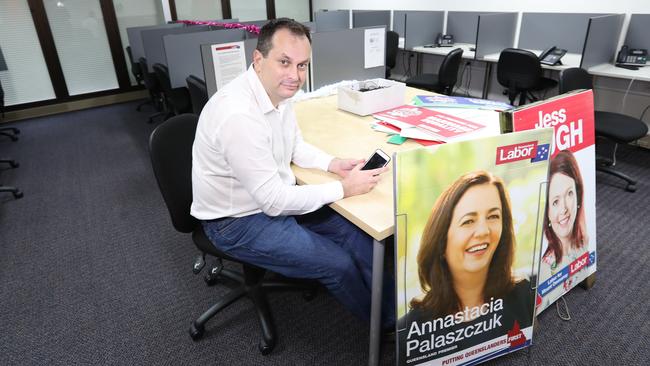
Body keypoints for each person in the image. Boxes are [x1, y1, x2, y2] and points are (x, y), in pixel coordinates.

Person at [191, 18, 394, 329]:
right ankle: (384, 327)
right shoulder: (238, 115)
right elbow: (274, 201)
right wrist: (345, 188)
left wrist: (332, 163)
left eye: (302, 65)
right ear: (258, 60)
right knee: (337, 264)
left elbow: (293, 145)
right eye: (284, 62)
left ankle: (400, 315)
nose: (295, 75)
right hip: (236, 220)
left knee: (356, 236)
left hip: (270, 199)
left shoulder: (277, 94)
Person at [398, 171, 534, 362]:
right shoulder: (411, 331)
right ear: (441, 239)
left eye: (493, 216)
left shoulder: (523, 293)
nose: (483, 231)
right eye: (468, 221)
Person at [539, 150, 588, 295]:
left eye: (569, 194)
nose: (564, 209)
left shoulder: (586, 242)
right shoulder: (545, 272)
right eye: (555, 202)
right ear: (546, 212)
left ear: (578, 195)